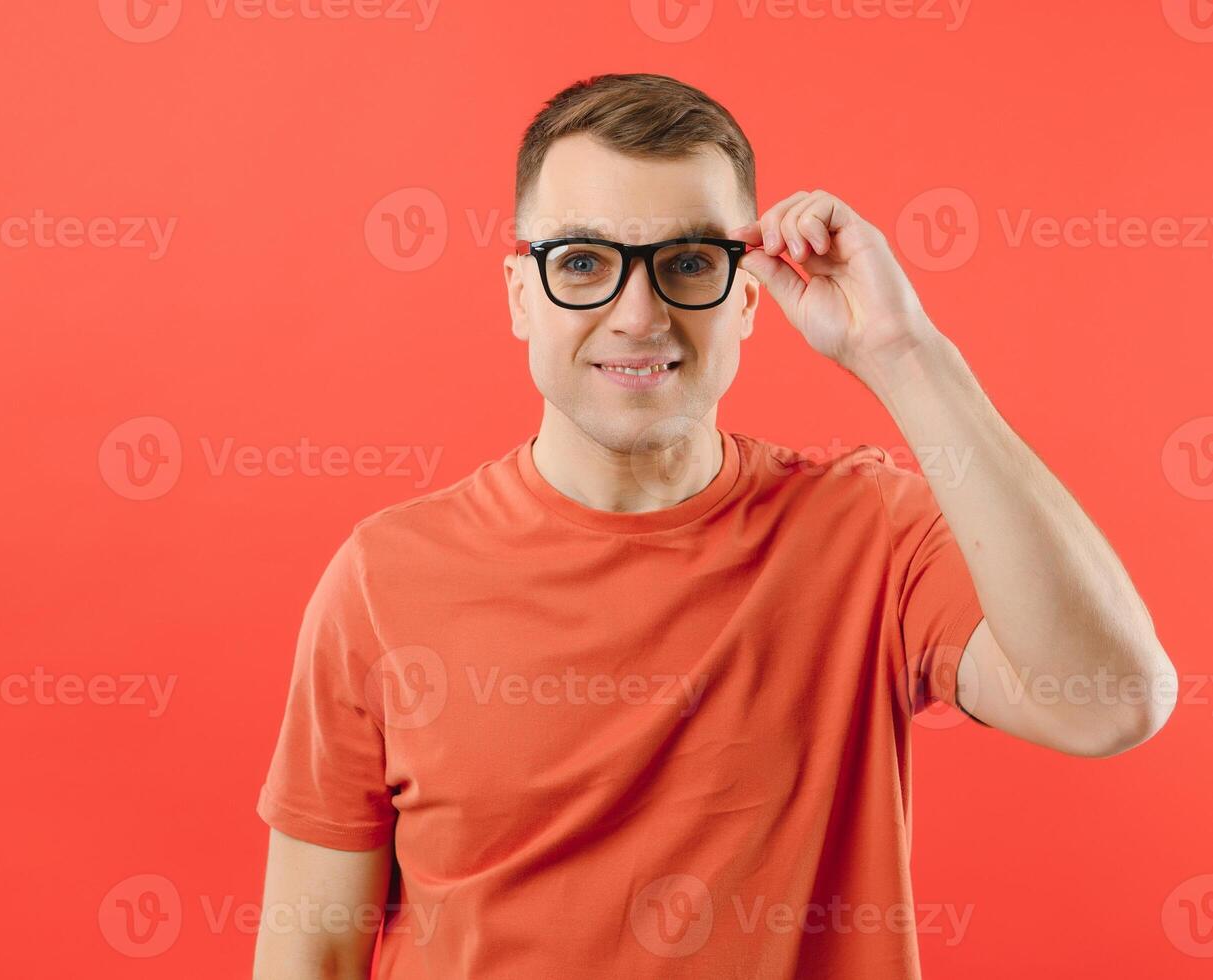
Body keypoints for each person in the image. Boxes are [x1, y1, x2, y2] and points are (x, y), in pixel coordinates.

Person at [250, 72, 1176, 979]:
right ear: (518, 295)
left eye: (688, 264)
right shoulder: (384, 576)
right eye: (581, 263)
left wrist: (904, 353)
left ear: (743, 297)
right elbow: (311, 951)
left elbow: (1109, 703)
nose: (639, 315)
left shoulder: (867, 534)